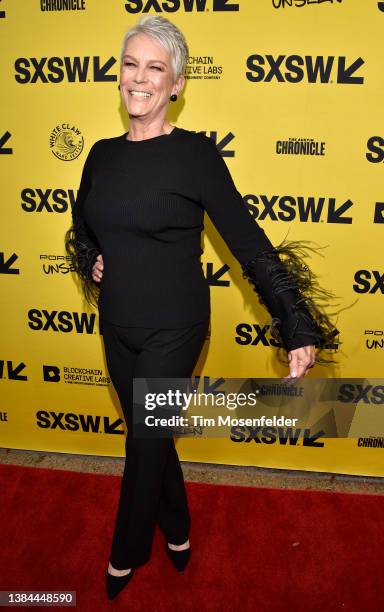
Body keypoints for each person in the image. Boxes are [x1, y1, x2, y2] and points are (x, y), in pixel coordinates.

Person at [65, 15, 337, 601]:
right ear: (120, 75)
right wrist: (92, 260)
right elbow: (82, 226)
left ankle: (124, 553)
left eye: (155, 68)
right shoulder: (101, 156)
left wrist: (294, 322)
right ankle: (180, 528)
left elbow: (248, 243)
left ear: (177, 84)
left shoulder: (195, 156)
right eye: (131, 64)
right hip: (116, 325)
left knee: (143, 438)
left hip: (177, 327)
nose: (140, 79)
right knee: (152, 437)